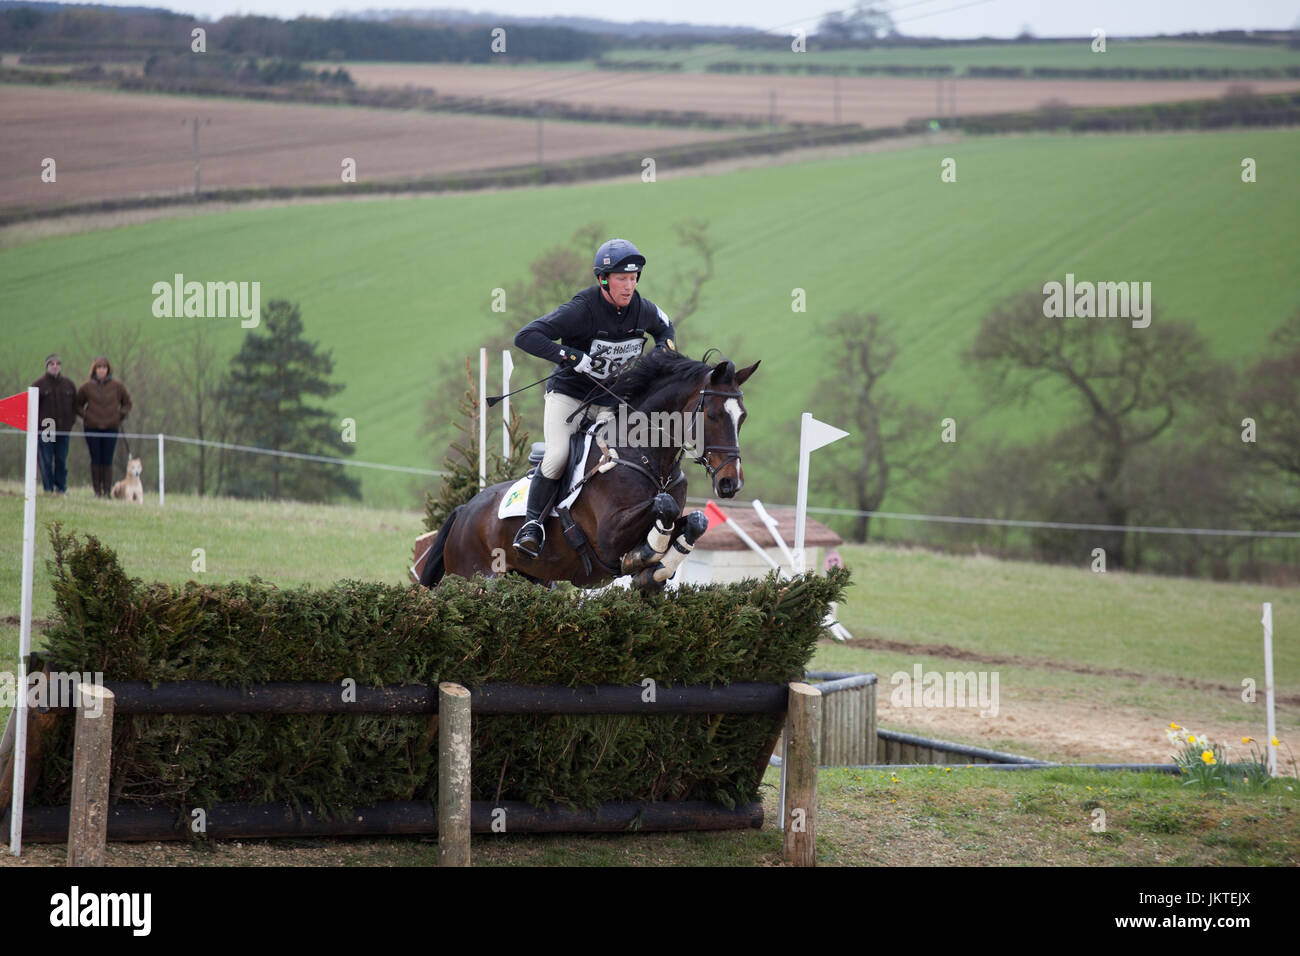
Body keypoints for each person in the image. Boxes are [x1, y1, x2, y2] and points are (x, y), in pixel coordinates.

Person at [511, 237, 676, 558]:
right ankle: (532, 526)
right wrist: (570, 356)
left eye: (633, 279)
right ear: (603, 279)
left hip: (610, 404)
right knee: (558, 456)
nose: (629, 287)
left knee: (621, 460)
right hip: (569, 398)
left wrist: (660, 357)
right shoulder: (581, 309)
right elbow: (526, 336)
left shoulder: (644, 310)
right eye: (621, 279)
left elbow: (666, 330)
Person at [75, 356, 132, 498]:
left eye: (104, 368)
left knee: (107, 459)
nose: (102, 370)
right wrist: (86, 416)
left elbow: (127, 403)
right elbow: (77, 404)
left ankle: (106, 491)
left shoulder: (117, 386)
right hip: (92, 428)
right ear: (94, 369)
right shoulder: (86, 387)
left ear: (108, 370)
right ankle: (97, 491)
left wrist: (119, 416)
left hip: (111, 428)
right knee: (95, 459)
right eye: (99, 368)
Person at [31, 354, 77, 494]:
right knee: (46, 461)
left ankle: (61, 488)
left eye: (58, 363)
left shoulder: (69, 384)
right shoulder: (38, 385)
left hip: (63, 429)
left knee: (61, 460)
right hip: (46, 429)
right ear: (47, 366)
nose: (55, 366)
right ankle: (48, 488)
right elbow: (32, 408)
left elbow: (75, 406)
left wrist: (70, 423)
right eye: (52, 364)